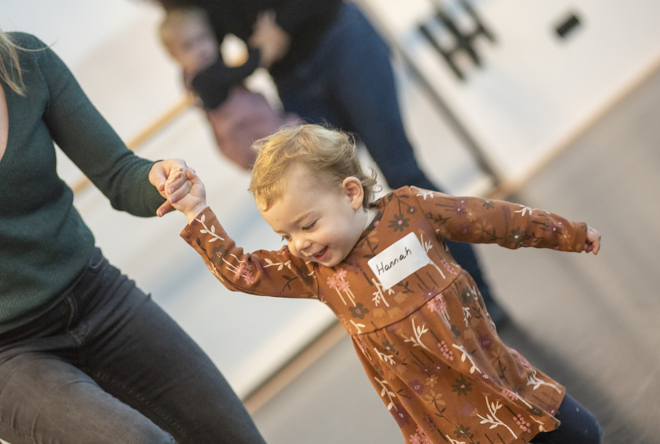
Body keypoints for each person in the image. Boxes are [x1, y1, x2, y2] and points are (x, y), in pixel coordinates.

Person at [0, 1, 266, 443]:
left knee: (234, 435)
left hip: (95, 294)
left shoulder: (25, 61)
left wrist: (160, 178)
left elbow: (117, 173)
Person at [161, 124, 603, 444]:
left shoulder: (410, 210)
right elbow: (245, 272)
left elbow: (490, 218)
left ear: (351, 193)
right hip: (447, 414)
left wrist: (567, 233)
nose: (299, 244)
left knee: (584, 435)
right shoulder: (317, 272)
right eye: (285, 236)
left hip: (493, 369)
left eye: (308, 224)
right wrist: (198, 214)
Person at [153, 0, 510, 325]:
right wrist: (210, 77)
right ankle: (418, 321)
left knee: (402, 172)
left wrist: (278, 30)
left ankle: (479, 298)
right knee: (338, 212)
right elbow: (209, 56)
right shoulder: (191, 6)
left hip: (342, 41)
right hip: (293, 82)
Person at [158, 7, 298, 169]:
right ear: (174, 56)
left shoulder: (193, 76)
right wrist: (261, 46)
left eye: (203, 37)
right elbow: (244, 70)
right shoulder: (205, 78)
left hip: (252, 128)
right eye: (188, 46)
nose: (200, 49)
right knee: (290, 151)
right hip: (247, 131)